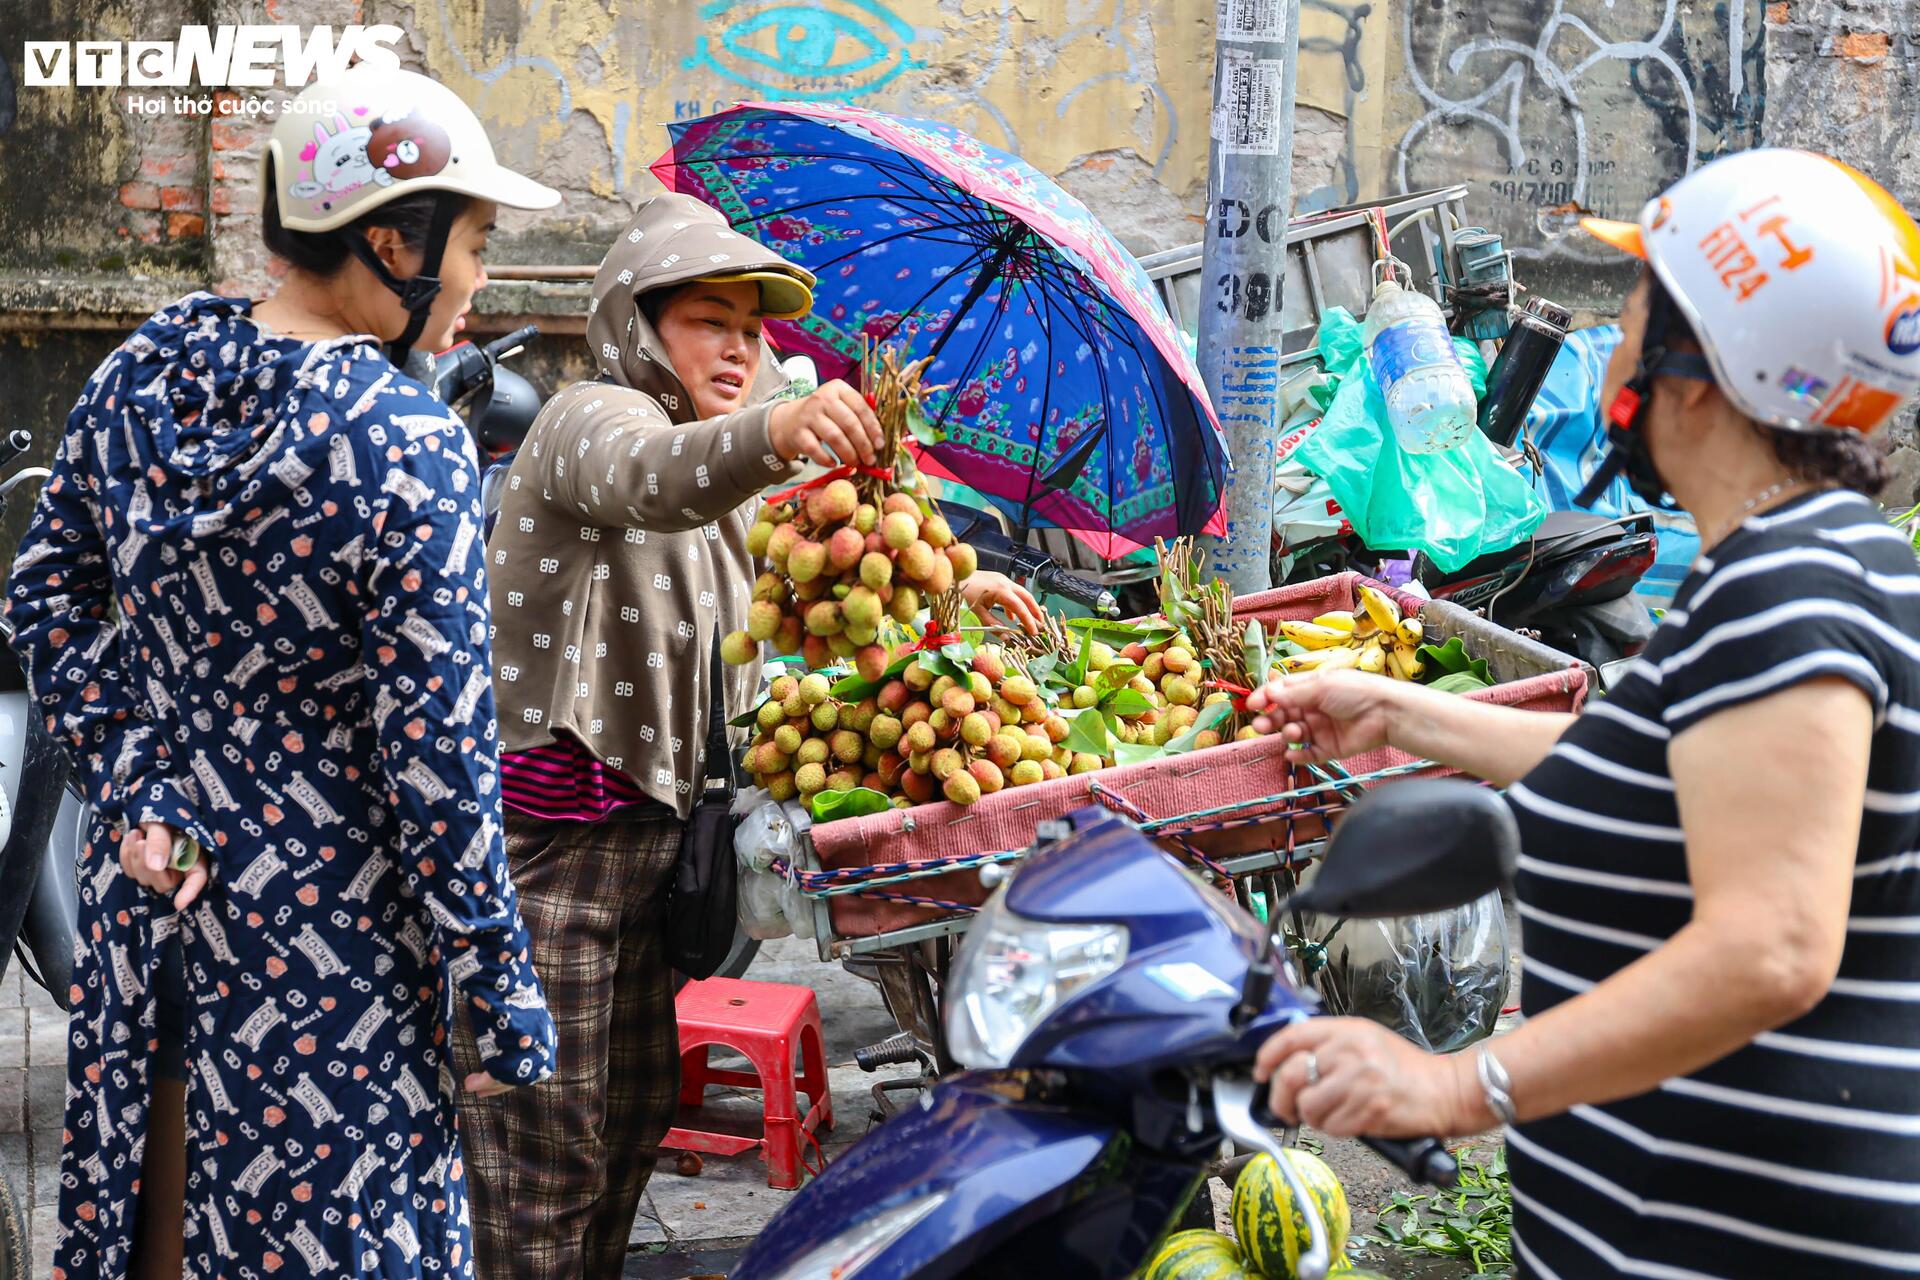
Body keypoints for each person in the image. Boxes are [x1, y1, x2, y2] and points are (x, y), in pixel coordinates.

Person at [1247, 148, 1920, 1277]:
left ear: (1699, 369)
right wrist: (1400, 712)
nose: (1613, 340)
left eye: (1637, 306)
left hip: (1754, 1233)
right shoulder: (1797, 565)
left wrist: (1455, 1083)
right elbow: (1664, 775)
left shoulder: (1786, 586)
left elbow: (1773, 945)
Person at [6, 65, 560, 1280]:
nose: (482, 280)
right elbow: (442, 761)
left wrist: (140, 778)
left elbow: (43, 590)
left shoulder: (144, 378)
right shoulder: (409, 448)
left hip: (152, 900)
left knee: (144, 1217)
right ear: (389, 239)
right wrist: (501, 988)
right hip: (332, 954)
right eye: (472, 243)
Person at [461, 191, 1042, 1277]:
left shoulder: (741, 477)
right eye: (706, 321)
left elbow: (822, 604)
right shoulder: (587, 418)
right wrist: (773, 427)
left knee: (627, 1128)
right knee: (542, 1155)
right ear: (638, 322)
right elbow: (652, 478)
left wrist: (959, 591)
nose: (736, 348)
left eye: (751, 328)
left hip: (654, 855)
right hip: (543, 864)